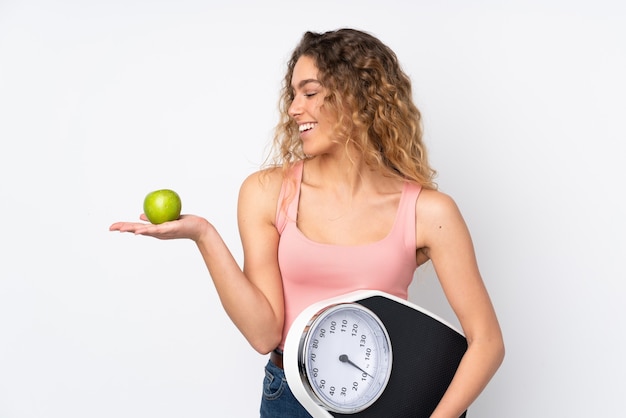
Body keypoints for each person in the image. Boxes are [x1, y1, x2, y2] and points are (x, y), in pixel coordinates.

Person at [110, 28, 504, 418]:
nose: (294, 108)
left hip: (387, 403)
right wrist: (203, 235)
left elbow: (486, 341)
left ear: (358, 96)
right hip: (290, 398)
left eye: (310, 93)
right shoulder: (268, 192)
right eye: (293, 94)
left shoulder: (428, 212)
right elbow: (264, 334)